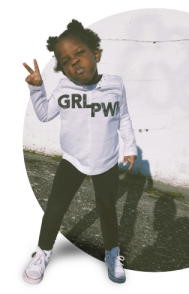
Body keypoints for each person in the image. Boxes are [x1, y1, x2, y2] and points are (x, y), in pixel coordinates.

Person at [21, 18, 137, 284]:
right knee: (55, 208)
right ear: (63, 69)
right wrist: (37, 87)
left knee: (107, 208)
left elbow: (124, 118)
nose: (73, 61)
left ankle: (111, 253)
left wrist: (129, 147)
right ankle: (42, 253)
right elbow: (44, 115)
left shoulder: (115, 85)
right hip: (73, 160)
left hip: (106, 161)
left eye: (79, 53)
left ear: (95, 53)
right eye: (64, 60)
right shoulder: (64, 88)